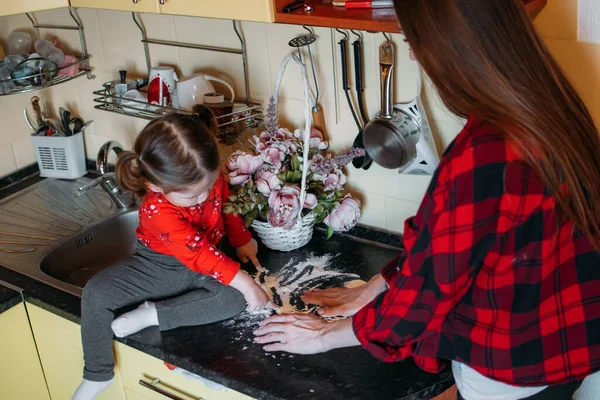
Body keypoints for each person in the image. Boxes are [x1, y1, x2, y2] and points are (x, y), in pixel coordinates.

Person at [254, 0, 600, 399]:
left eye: (414, 38)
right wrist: (373, 289)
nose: (414, 52)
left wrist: (324, 336)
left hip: (509, 368)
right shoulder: (551, 104)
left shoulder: (485, 153)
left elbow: (430, 289)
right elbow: (462, 244)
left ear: (451, 45)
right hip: (569, 343)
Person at [73, 106, 272, 400]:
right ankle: (97, 373)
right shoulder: (156, 210)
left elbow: (226, 209)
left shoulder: (207, 178)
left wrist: (241, 239)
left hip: (207, 264)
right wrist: (246, 281)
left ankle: (153, 314)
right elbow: (197, 252)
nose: (203, 197)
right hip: (157, 268)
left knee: (232, 298)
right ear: (155, 185)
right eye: (192, 195)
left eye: (208, 185)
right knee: (96, 293)